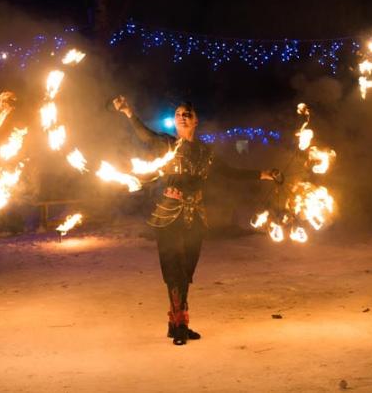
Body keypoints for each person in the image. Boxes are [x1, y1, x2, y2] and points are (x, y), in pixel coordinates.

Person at [113, 96, 282, 345]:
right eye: (178, 113)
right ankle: (180, 325)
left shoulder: (206, 152)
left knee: (186, 271)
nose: (182, 116)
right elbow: (145, 134)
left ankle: (175, 323)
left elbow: (230, 172)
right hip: (168, 215)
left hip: (195, 218)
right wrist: (129, 112)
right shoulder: (166, 144)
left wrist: (265, 174)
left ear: (196, 120)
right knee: (175, 271)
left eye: (187, 113)